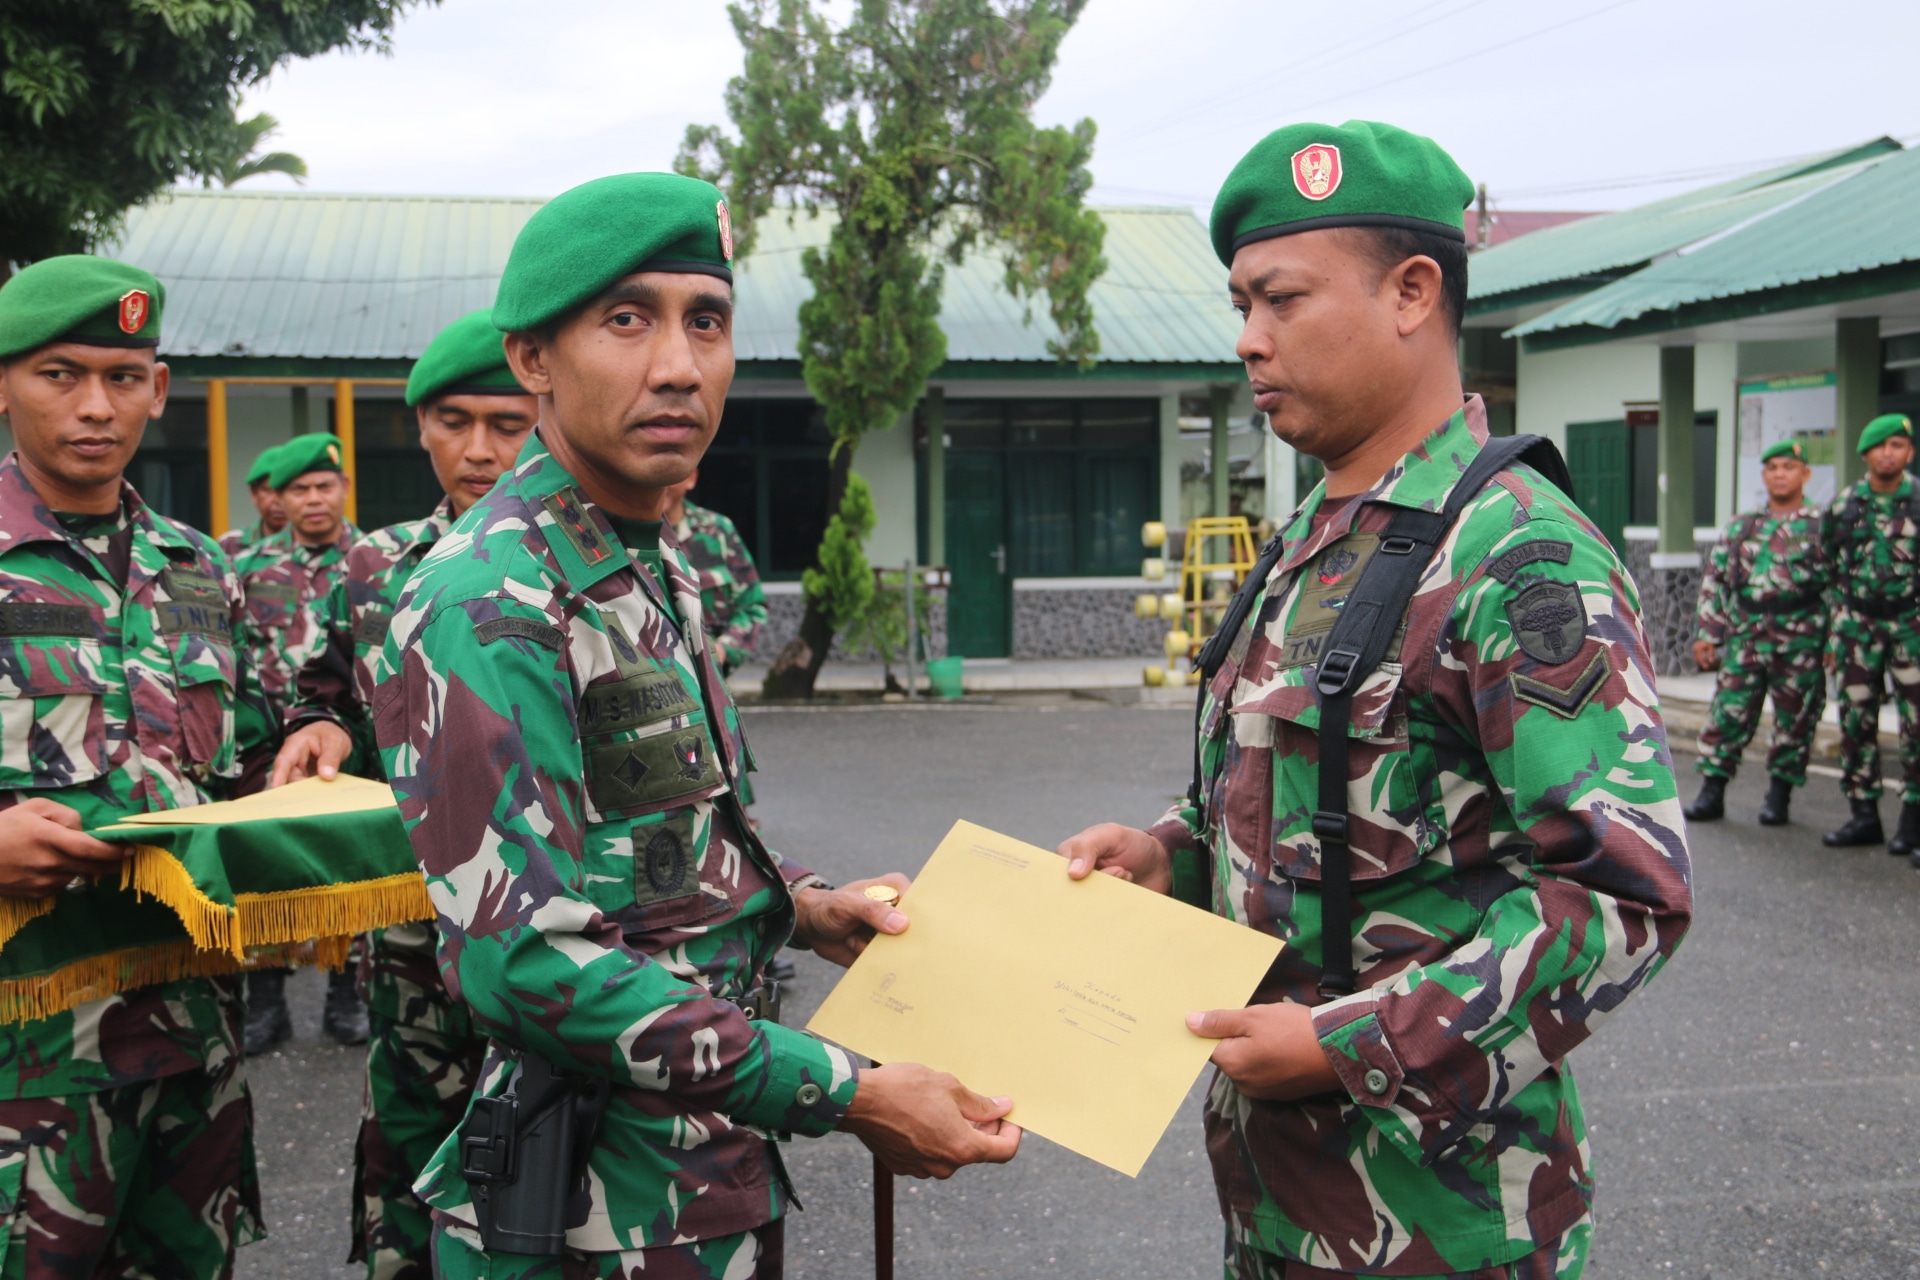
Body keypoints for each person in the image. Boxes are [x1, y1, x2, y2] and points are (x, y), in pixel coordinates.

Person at [1056, 122, 1693, 1280]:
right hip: (1283, 1199)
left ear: (1413, 293)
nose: (1248, 341)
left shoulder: (1520, 557)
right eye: (1239, 304)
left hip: (1443, 1223)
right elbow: (1299, 804)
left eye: (1281, 299)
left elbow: (1621, 897)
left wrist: (1350, 1045)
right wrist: (1168, 854)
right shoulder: (1320, 537)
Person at [371, 172, 1020, 1279]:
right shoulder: (490, 596)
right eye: (627, 318)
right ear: (533, 358)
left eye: (706, 321)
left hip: (698, 1183)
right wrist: (848, 1089)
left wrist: (804, 901)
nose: (678, 364)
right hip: (581, 1213)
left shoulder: (639, 557)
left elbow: (663, 833)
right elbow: (526, 960)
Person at [0, 255, 278, 1276]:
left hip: (194, 1048)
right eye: (59, 374)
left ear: (158, 390)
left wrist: (308, 746)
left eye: (123, 377)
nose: (95, 406)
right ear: (1, 382)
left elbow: (250, 751)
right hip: (27, 1065)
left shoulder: (201, 567)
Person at [270, 308, 536, 1280]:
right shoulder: (374, 565)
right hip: (420, 935)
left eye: (506, 423)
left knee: (565, 1170)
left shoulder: (603, 562)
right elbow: (327, 690)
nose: (478, 448)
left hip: (569, 947)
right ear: (418, 425)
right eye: (453, 420)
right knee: (417, 1150)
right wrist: (321, 726)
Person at [235, 431, 366, 1050]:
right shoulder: (249, 570)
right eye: (299, 489)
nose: (314, 499)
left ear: (342, 488)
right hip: (268, 754)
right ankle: (266, 999)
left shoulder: (373, 563)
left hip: (348, 750)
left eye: (324, 485)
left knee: (346, 877)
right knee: (264, 879)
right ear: (281, 499)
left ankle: (346, 994)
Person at [1683, 438, 1829, 826]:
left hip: (1800, 637)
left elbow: (1837, 586)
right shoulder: (1743, 525)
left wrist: (1834, 641)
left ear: (1805, 474)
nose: (1780, 474)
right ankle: (1712, 792)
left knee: (1796, 718)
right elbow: (1716, 581)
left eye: (1789, 467)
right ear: (1764, 474)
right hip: (1745, 636)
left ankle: (1778, 797)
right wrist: (1708, 633)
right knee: (1728, 712)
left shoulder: (1821, 527)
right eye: (1773, 468)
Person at [1819, 412, 1920, 852]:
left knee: (1916, 725)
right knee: (1856, 722)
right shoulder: (1844, 506)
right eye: (1880, 446)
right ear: (1865, 454)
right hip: (1856, 628)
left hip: (1911, 626)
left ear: (1909, 452)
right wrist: (1833, 629)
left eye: (1897, 445)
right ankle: (1864, 816)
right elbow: (1828, 568)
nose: (1888, 453)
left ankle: (1913, 823)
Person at [663, 469, 768, 678]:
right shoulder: (614, 535)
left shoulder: (717, 531)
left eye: (669, 475)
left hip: (711, 683)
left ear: (691, 478)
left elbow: (751, 606)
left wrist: (721, 651)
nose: (659, 485)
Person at [219, 444, 289, 557]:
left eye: (285, 490)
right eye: (269, 490)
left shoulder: (315, 545)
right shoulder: (230, 545)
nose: (278, 501)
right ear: (254, 494)